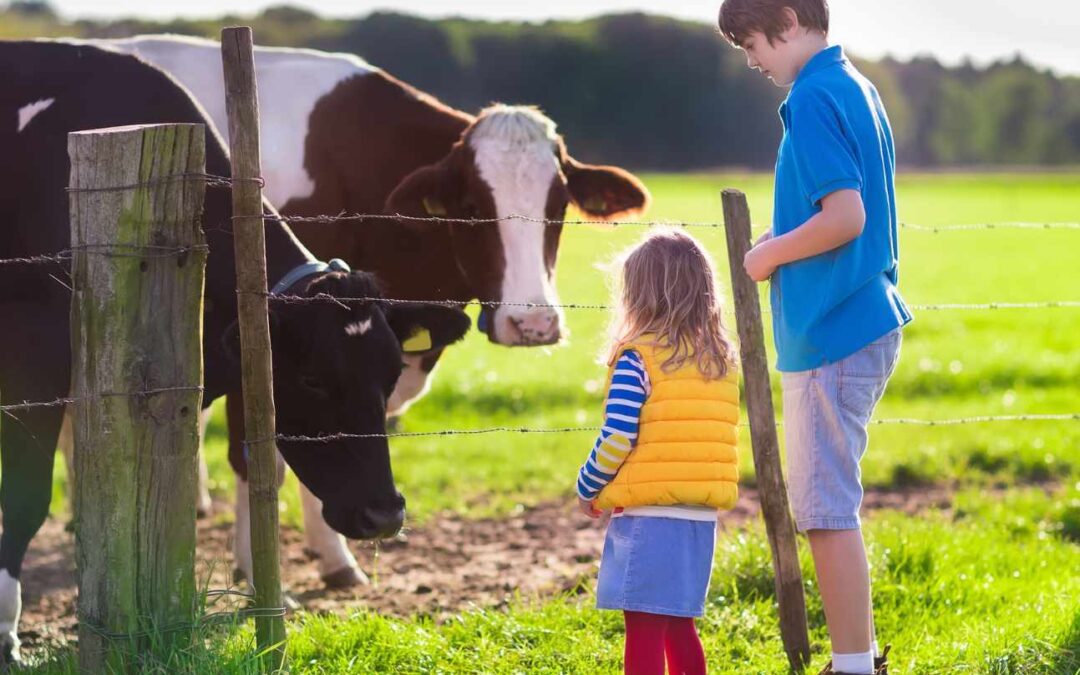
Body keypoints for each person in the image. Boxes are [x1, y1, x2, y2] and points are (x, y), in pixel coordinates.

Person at [716, 1, 912, 673]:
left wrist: (768, 257)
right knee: (828, 505)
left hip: (833, 326)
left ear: (791, 18)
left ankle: (854, 665)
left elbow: (847, 216)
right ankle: (855, 658)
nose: (751, 59)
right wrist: (783, 237)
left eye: (752, 42)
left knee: (825, 510)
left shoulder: (811, 97)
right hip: (860, 313)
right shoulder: (855, 85)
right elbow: (838, 210)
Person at [576, 229, 740, 675]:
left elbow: (617, 437)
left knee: (644, 629)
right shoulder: (718, 361)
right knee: (680, 625)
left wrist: (588, 484)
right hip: (699, 519)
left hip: (650, 517)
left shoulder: (638, 358)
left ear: (638, 296)